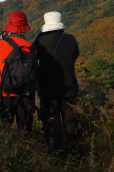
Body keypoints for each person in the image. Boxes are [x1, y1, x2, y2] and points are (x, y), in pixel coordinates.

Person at [34, 11, 81, 159]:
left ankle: (56, 154)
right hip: (69, 88)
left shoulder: (39, 42)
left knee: (51, 122)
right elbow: (75, 55)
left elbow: (33, 59)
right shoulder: (70, 39)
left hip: (47, 89)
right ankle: (74, 153)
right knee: (71, 121)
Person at [0, 11, 36, 132]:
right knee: (25, 130)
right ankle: (26, 148)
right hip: (26, 94)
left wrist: (0, 40)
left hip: (6, 93)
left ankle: (8, 150)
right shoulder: (31, 46)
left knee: (3, 129)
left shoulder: (0, 44)